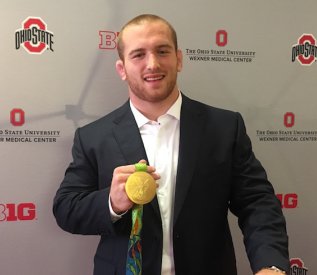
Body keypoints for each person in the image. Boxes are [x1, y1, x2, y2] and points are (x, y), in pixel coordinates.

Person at [53, 14, 289, 275]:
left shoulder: (224, 127)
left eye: (162, 51)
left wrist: (271, 265)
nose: (152, 63)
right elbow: (67, 208)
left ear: (179, 59)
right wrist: (112, 202)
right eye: (138, 54)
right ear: (122, 69)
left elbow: (258, 202)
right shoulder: (93, 137)